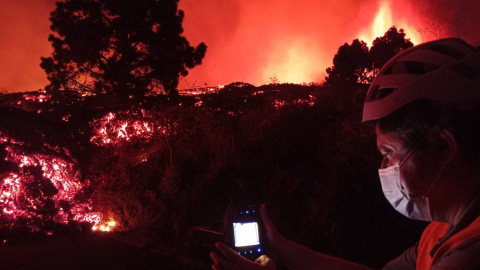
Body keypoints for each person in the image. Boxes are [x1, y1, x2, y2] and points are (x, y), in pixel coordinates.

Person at [210, 38, 480, 270]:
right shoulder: (443, 229)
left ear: (443, 146)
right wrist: (281, 248)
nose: (385, 166)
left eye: (390, 152)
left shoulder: (470, 255)